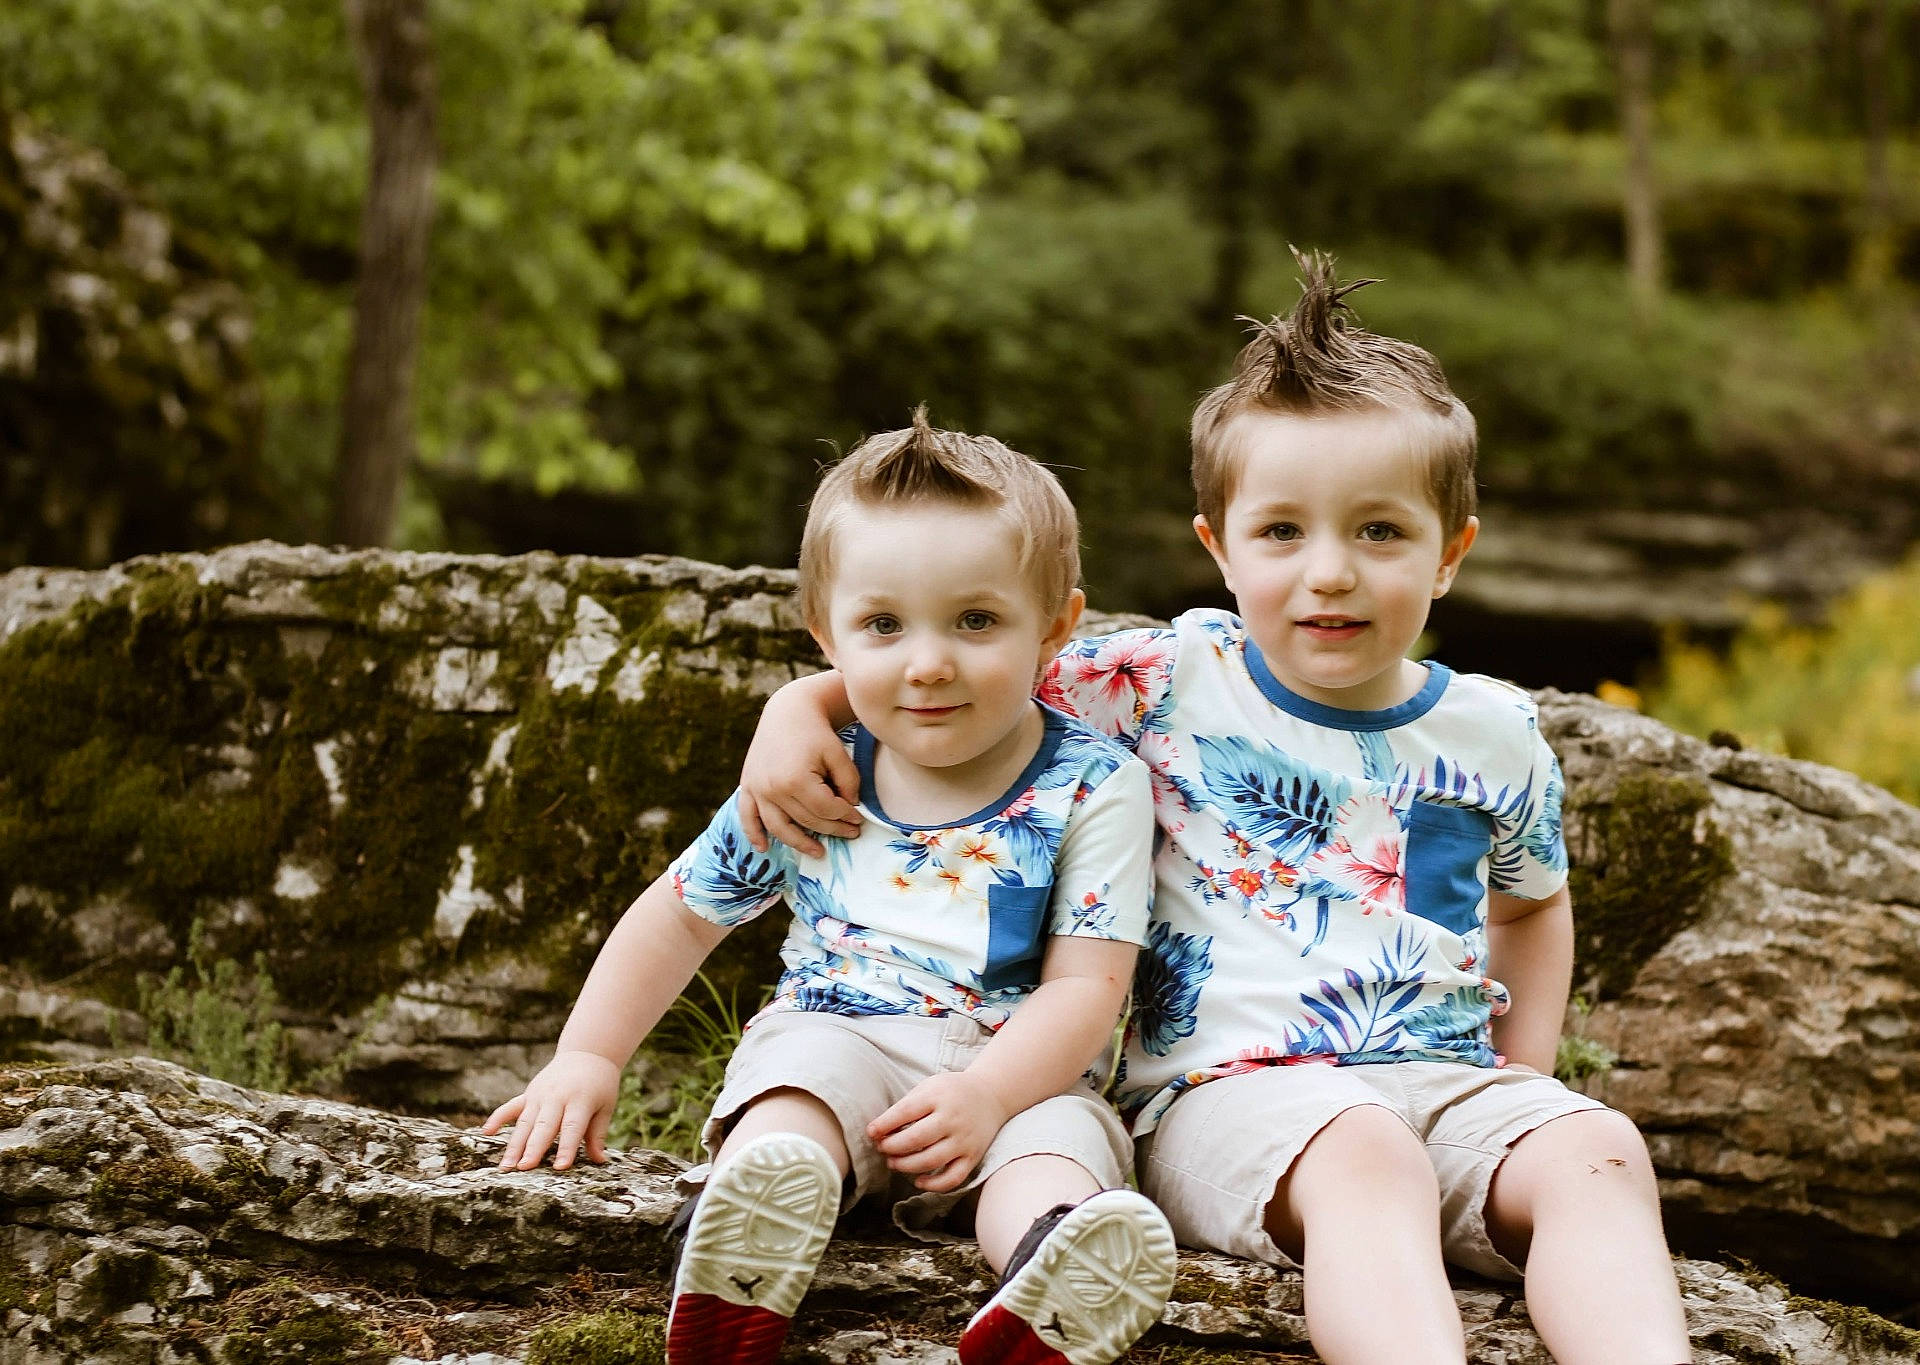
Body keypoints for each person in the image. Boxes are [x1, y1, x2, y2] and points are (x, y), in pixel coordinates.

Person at [737, 257, 1695, 1365]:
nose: (1328, 573)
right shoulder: (1160, 676)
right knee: (1365, 1154)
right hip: (1226, 1104)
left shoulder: (1494, 732)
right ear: (1218, 548)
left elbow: (1529, 907)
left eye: (1379, 532)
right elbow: (952, 680)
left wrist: (1522, 1071)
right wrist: (796, 704)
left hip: (1446, 1082)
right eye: (1282, 533)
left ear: (1449, 554)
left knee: (1600, 1152)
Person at [484, 410, 1176, 1365]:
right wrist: (588, 1056)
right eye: (883, 625)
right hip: (842, 1027)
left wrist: (985, 1093)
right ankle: (747, 1244)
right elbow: (681, 914)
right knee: (796, 1090)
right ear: (825, 632)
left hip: (1016, 1070)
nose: (927, 661)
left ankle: (1047, 1273)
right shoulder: (814, 769)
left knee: (1057, 1144)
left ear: (1056, 624)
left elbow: (1087, 989)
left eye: (976, 620)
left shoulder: (1095, 783)